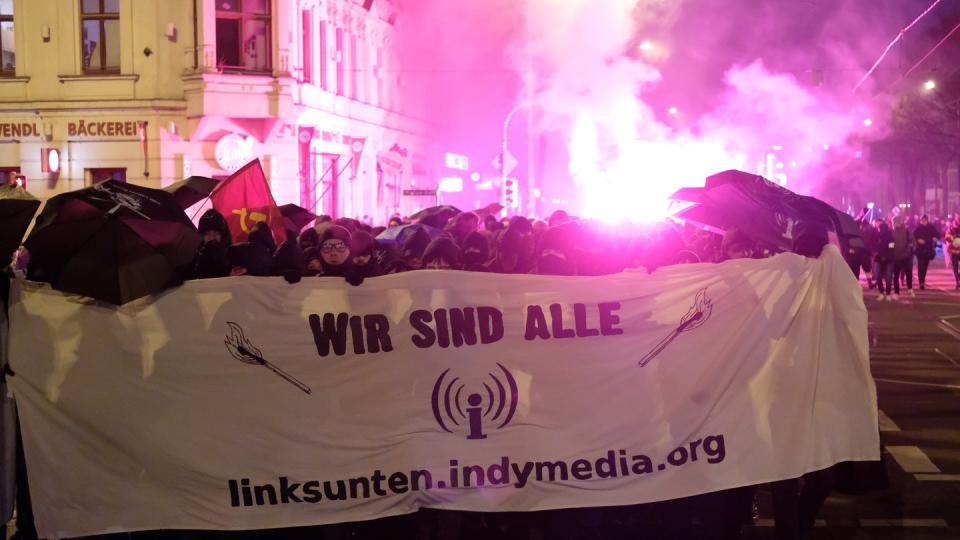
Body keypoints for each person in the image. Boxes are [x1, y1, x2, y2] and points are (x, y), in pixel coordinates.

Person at [891, 216, 915, 298]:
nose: (895, 223)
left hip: (906, 256)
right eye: (894, 222)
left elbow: (912, 241)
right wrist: (890, 247)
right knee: (895, 275)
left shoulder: (907, 231)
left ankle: (910, 289)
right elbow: (889, 242)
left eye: (896, 222)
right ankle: (896, 292)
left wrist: (909, 247)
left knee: (908, 274)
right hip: (895, 256)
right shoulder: (891, 232)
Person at [913, 215, 939, 290]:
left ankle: (922, 280)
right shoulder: (918, 228)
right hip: (920, 250)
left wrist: (935, 238)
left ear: (927, 220)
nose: (923, 222)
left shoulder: (931, 227)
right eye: (922, 220)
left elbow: (937, 235)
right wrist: (918, 240)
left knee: (925, 267)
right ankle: (921, 282)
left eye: (924, 220)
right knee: (921, 266)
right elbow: (913, 237)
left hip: (928, 250)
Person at [873, 221, 895, 301]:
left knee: (888, 277)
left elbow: (891, 248)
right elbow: (874, 246)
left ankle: (888, 293)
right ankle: (881, 292)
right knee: (878, 276)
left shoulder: (890, 237)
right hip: (879, 259)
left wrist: (885, 256)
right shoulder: (877, 236)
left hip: (888, 260)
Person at [945, 218, 960, 289]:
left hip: (955, 250)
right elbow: (947, 237)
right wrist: (954, 239)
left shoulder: (951, 228)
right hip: (954, 251)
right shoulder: (951, 229)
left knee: (955, 267)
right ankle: (957, 281)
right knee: (955, 267)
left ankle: (958, 279)